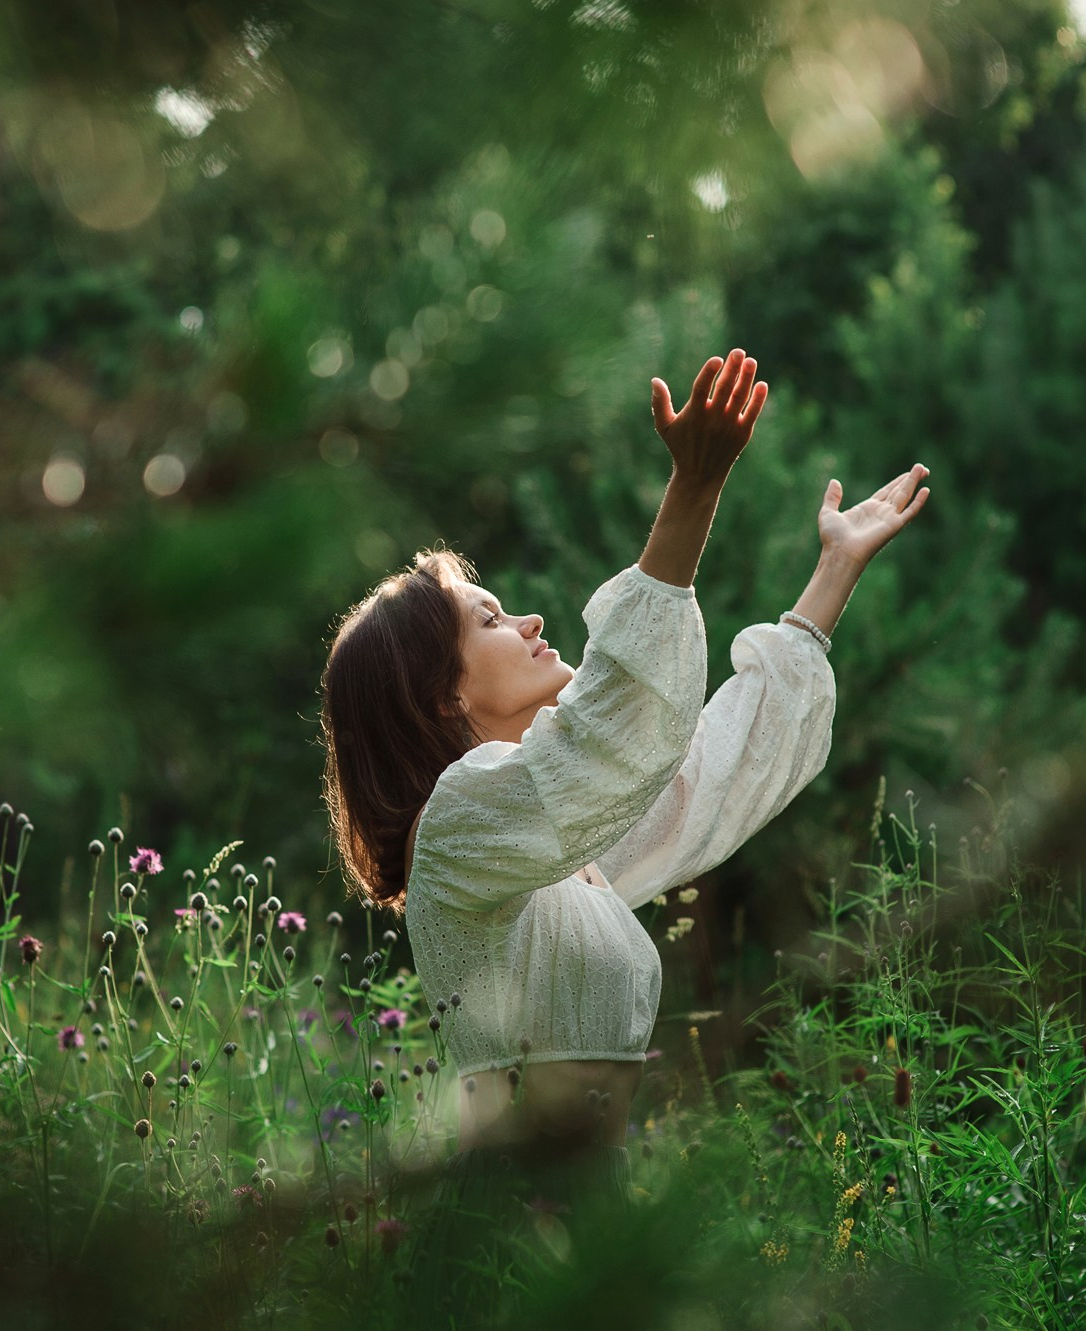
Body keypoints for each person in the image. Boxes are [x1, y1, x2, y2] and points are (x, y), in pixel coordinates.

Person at [318, 348, 931, 1293]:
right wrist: (692, 490)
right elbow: (609, 731)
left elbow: (701, 776)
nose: (525, 620)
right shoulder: (459, 835)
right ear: (437, 698)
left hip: (579, 1249)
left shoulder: (551, 850)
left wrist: (831, 576)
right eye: (488, 621)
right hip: (506, 1257)